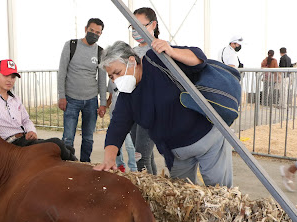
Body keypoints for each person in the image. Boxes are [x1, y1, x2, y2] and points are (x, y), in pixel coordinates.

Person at [93, 40, 233, 188]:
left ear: (132, 61)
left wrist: (172, 52)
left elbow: (198, 59)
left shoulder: (156, 60)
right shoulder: (126, 97)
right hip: (177, 153)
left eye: (117, 73)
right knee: (183, 197)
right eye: (111, 77)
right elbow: (117, 126)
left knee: (220, 192)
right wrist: (109, 159)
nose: (115, 80)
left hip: (207, 139)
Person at [0, 59, 77, 162]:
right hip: (8, 145)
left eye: (13, 77)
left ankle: (71, 167)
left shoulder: (15, 98)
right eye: (5, 76)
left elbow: (26, 120)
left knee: (67, 147)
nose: (10, 80)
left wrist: (31, 131)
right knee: (57, 143)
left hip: (23, 140)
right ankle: (77, 165)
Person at [57, 18, 107, 162]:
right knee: (67, 137)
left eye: (98, 32)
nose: (94, 34)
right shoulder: (71, 45)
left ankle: (85, 165)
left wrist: (102, 103)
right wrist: (62, 96)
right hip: (71, 99)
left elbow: (102, 80)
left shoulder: (100, 52)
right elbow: (62, 72)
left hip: (91, 101)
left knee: (88, 138)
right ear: (86, 29)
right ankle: (67, 164)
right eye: (92, 31)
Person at [127, 7, 158, 174]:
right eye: (132, 26)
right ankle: (154, 191)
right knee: (145, 155)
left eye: (140, 25)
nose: (135, 30)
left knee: (141, 155)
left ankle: (148, 194)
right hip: (134, 108)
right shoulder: (131, 52)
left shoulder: (160, 50)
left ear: (152, 25)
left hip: (150, 110)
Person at [107, 80, 138, 172]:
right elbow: (111, 96)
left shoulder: (130, 79)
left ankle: (133, 168)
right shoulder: (111, 80)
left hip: (128, 117)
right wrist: (103, 107)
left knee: (130, 144)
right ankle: (120, 165)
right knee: (116, 143)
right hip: (115, 116)